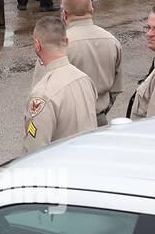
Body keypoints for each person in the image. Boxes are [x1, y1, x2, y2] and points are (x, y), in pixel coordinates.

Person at [23, 17, 98, 153]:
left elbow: (34, 151)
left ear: (37, 45)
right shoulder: (85, 79)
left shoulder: (42, 94)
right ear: (67, 42)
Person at [57, 0, 123, 126]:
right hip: (100, 119)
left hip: (69, 124)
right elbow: (116, 88)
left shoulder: (59, 45)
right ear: (91, 11)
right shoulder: (112, 41)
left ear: (65, 14)